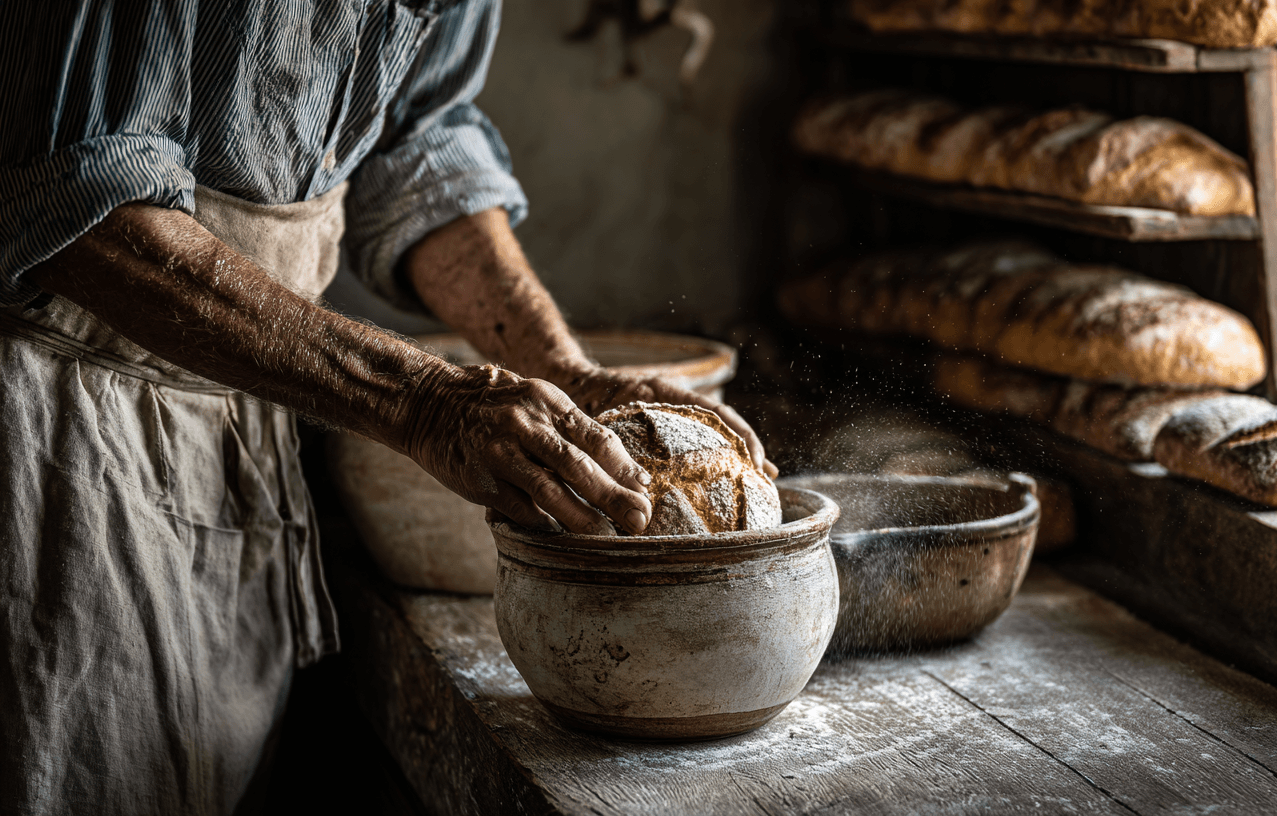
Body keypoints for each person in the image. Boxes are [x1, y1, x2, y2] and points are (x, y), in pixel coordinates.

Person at [0, 2, 770, 814]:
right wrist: (424, 401)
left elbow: (412, 143)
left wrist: (566, 371)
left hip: (241, 408)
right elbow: (74, 201)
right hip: (59, 425)